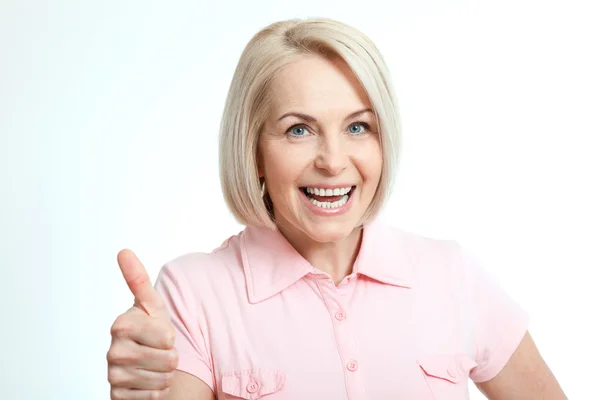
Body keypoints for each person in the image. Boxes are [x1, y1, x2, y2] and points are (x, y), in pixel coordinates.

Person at [107, 17, 566, 400]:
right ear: (253, 152)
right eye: (298, 130)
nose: (332, 161)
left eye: (358, 127)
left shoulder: (453, 275)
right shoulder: (192, 294)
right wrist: (146, 388)